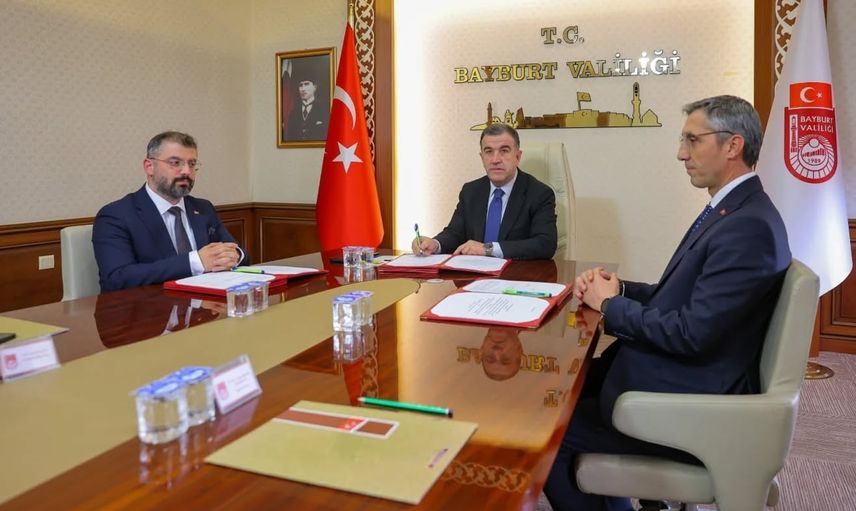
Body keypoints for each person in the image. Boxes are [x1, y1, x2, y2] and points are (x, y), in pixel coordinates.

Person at [543, 95, 792, 511]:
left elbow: (692, 333)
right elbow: (682, 297)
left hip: (695, 401)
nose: (681, 154)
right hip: (684, 374)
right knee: (567, 387)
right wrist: (621, 290)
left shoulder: (747, 228)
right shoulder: (735, 211)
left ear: (733, 145)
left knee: (548, 433)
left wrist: (610, 307)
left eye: (692, 140)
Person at [93, 131, 246, 292]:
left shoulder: (202, 208)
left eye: (192, 164)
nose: (186, 171)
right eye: (175, 163)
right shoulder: (116, 215)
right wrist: (195, 262)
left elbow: (239, 252)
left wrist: (235, 256)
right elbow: (117, 278)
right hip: (150, 304)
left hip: (205, 302)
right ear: (149, 166)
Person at [412, 123, 557, 259]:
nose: (495, 159)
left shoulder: (539, 194)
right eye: (488, 152)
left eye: (504, 151)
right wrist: (435, 244)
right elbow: (455, 233)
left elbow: (545, 244)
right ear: (482, 157)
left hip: (516, 274)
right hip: (474, 272)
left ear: (517, 157)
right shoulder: (470, 191)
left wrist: (488, 249)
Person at [286, 76, 327, 141]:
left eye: (306, 84)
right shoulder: (293, 113)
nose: (303, 89)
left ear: (315, 87)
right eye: (300, 85)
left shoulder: (325, 110)